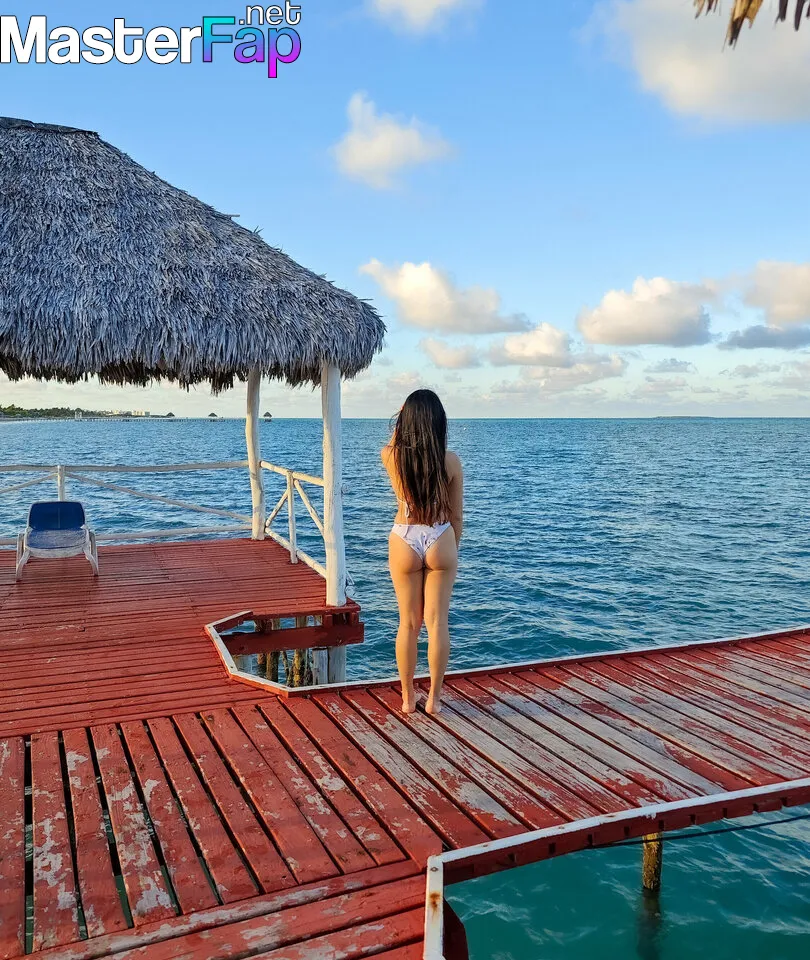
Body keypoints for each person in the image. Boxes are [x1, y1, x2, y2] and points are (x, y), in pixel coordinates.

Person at [381, 389, 463, 715]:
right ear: (439, 422)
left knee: (408, 624)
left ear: (406, 421)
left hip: (404, 536)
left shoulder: (391, 457)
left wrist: (403, 415)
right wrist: (451, 548)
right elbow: (457, 516)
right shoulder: (450, 461)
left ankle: (406, 698)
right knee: (437, 623)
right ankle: (434, 700)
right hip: (440, 534)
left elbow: (392, 441)